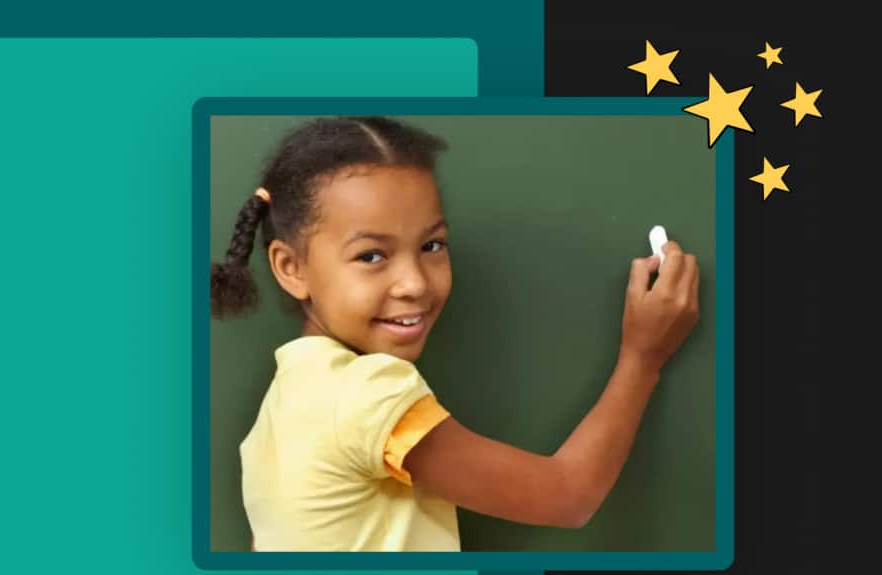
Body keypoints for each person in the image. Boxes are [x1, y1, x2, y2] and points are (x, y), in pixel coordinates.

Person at [210, 116, 700, 551]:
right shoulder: (367, 393)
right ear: (290, 267)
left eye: (432, 245)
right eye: (371, 256)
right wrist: (643, 355)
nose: (415, 283)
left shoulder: (277, 412)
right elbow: (567, 497)